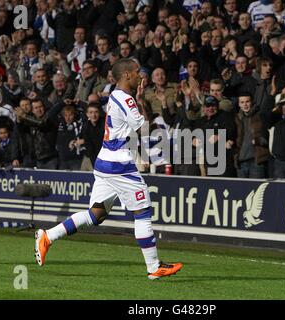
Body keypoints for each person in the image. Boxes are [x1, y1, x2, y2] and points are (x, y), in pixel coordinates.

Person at [35, 58, 183, 280]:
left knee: (97, 214)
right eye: (136, 72)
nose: (140, 77)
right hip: (119, 165)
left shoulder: (116, 94)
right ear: (126, 75)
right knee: (142, 211)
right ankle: (154, 267)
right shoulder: (127, 99)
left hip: (106, 161)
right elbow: (143, 128)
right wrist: (142, 101)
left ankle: (47, 236)